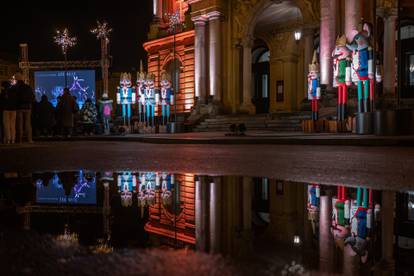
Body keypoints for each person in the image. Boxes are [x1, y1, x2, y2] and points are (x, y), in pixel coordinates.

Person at [12, 73, 34, 143]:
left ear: (16, 79)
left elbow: (13, 98)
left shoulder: (15, 87)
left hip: (19, 107)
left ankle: (20, 139)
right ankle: (29, 139)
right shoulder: (28, 87)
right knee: (28, 123)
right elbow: (32, 96)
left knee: (19, 124)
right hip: (28, 107)